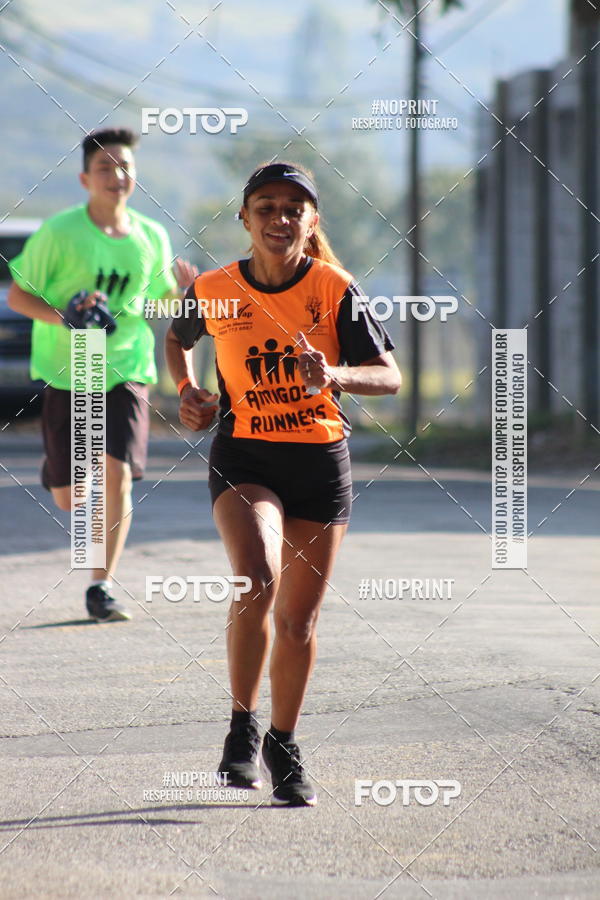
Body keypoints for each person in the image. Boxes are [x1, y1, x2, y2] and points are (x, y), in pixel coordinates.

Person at [165, 162, 401, 806]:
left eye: (294, 208)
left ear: (311, 220)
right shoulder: (215, 288)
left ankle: (283, 741)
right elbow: (176, 338)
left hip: (320, 462)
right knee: (256, 575)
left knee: (298, 621)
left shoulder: (333, 287)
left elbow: (390, 377)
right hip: (246, 457)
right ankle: (240, 727)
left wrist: (335, 376)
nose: (280, 217)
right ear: (245, 219)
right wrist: (187, 390)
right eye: (265, 206)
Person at [8, 127, 196, 622]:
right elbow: (17, 296)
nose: (118, 175)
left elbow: (157, 304)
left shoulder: (151, 236)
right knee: (73, 499)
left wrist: (185, 294)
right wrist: (64, 315)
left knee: (118, 475)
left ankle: (101, 586)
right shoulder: (60, 232)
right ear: (84, 178)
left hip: (127, 366)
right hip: (68, 369)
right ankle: (65, 479)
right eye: (106, 167)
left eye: (126, 167)